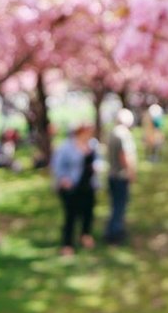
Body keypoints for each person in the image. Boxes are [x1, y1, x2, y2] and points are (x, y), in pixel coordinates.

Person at [51, 123, 99, 256]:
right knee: (71, 216)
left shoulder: (92, 145)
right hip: (72, 187)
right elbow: (57, 166)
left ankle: (85, 235)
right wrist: (63, 179)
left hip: (88, 185)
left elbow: (98, 160)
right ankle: (67, 243)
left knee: (88, 213)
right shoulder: (66, 147)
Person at [105, 109, 137, 245]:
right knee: (119, 205)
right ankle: (115, 234)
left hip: (112, 174)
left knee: (115, 205)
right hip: (120, 175)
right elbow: (124, 155)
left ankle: (111, 231)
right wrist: (131, 172)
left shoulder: (112, 132)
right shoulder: (123, 134)